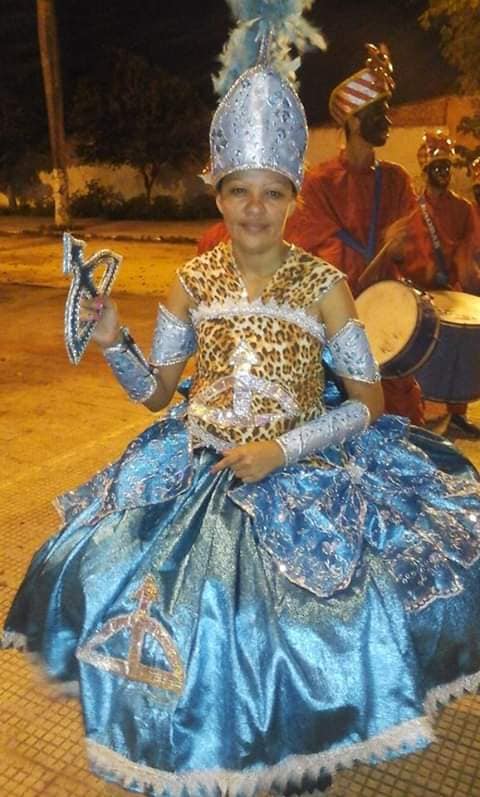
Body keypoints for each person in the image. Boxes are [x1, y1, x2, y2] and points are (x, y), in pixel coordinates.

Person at [3, 15, 480, 797]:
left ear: (293, 195)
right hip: (199, 464)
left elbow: (365, 399)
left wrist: (282, 450)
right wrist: (115, 338)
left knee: (303, 636)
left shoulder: (325, 286)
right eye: (238, 191)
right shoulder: (191, 282)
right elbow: (157, 393)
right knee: (184, 623)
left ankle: (297, 761)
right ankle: (220, 756)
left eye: (271, 192)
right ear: (218, 193)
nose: (255, 208)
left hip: (302, 469)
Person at [285, 44, 424, 425]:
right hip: (334, 324)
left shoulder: (397, 179)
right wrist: (366, 254)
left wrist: (400, 249)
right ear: (354, 121)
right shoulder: (318, 184)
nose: (388, 120)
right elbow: (306, 262)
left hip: (384, 320)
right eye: (378, 112)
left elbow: (416, 257)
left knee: (398, 414)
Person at [396, 131, 480, 439]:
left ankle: (457, 414)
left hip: (451, 292)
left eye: (447, 166)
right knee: (423, 357)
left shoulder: (463, 209)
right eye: (437, 167)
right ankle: (421, 413)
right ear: (425, 170)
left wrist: (467, 279)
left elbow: (468, 250)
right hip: (418, 292)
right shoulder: (412, 207)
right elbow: (401, 252)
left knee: (459, 354)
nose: (444, 172)